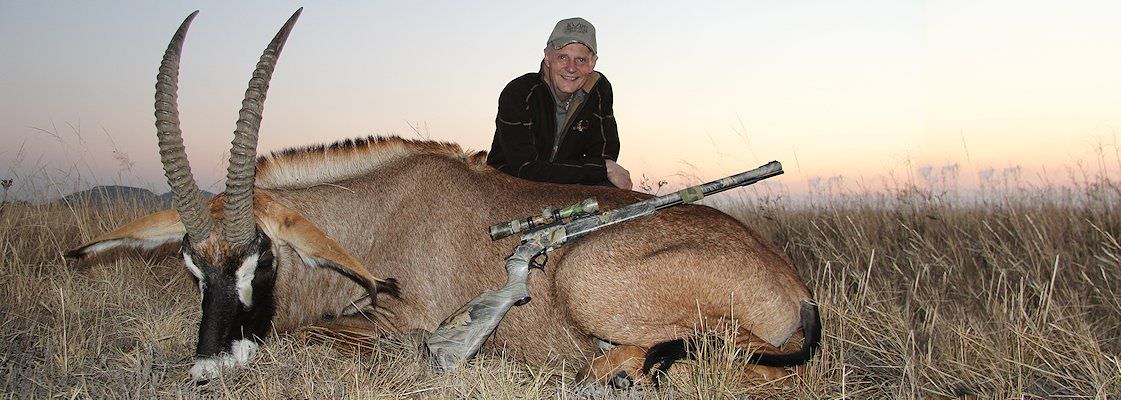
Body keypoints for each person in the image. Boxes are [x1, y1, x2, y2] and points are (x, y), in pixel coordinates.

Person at [486, 17, 632, 190]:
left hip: (568, 188)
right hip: (510, 188)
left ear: (592, 63)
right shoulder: (519, 92)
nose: (571, 68)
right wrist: (600, 168)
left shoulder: (599, 90)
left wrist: (601, 168)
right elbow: (525, 168)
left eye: (581, 60)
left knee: (610, 187)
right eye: (563, 57)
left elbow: (604, 155)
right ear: (548, 58)